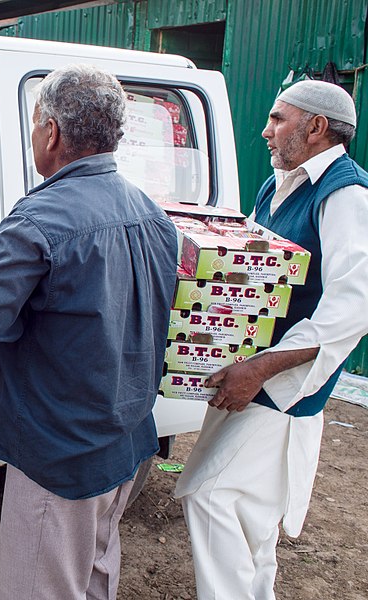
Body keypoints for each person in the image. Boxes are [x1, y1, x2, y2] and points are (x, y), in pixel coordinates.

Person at [0, 64, 179, 600]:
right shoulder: (151, 214)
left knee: (41, 586)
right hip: (126, 437)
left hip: (60, 453)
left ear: (52, 132)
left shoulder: (39, 221)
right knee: (93, 574)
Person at [175, 79, 368, 600]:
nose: (265, 130)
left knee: (210, 496)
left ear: (317, 127)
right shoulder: (279, 184)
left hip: (284, 382)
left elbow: (355, 305)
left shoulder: (346, 194)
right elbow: (258, 272)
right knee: (252, 515)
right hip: (253, 366)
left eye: (278, 118)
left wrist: (261, 368)